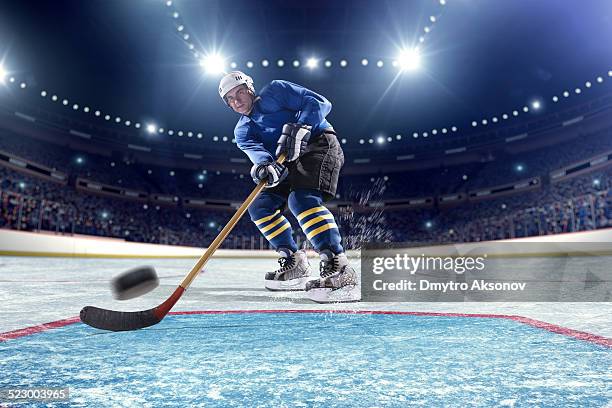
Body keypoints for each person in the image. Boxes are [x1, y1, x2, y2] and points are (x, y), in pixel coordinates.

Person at [218, 71, 359, 303]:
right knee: (259, 206)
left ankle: (339, 267)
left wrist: (303, 126)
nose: (237, 100)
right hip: (286, 162)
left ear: (250, 88)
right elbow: (260, 157)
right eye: (230, 99)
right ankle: (295, 262)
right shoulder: (242, 131)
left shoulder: (276, 90)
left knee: (301, 199)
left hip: (319, 144)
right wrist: (265, 167)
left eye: (240, 92)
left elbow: (320, 103)